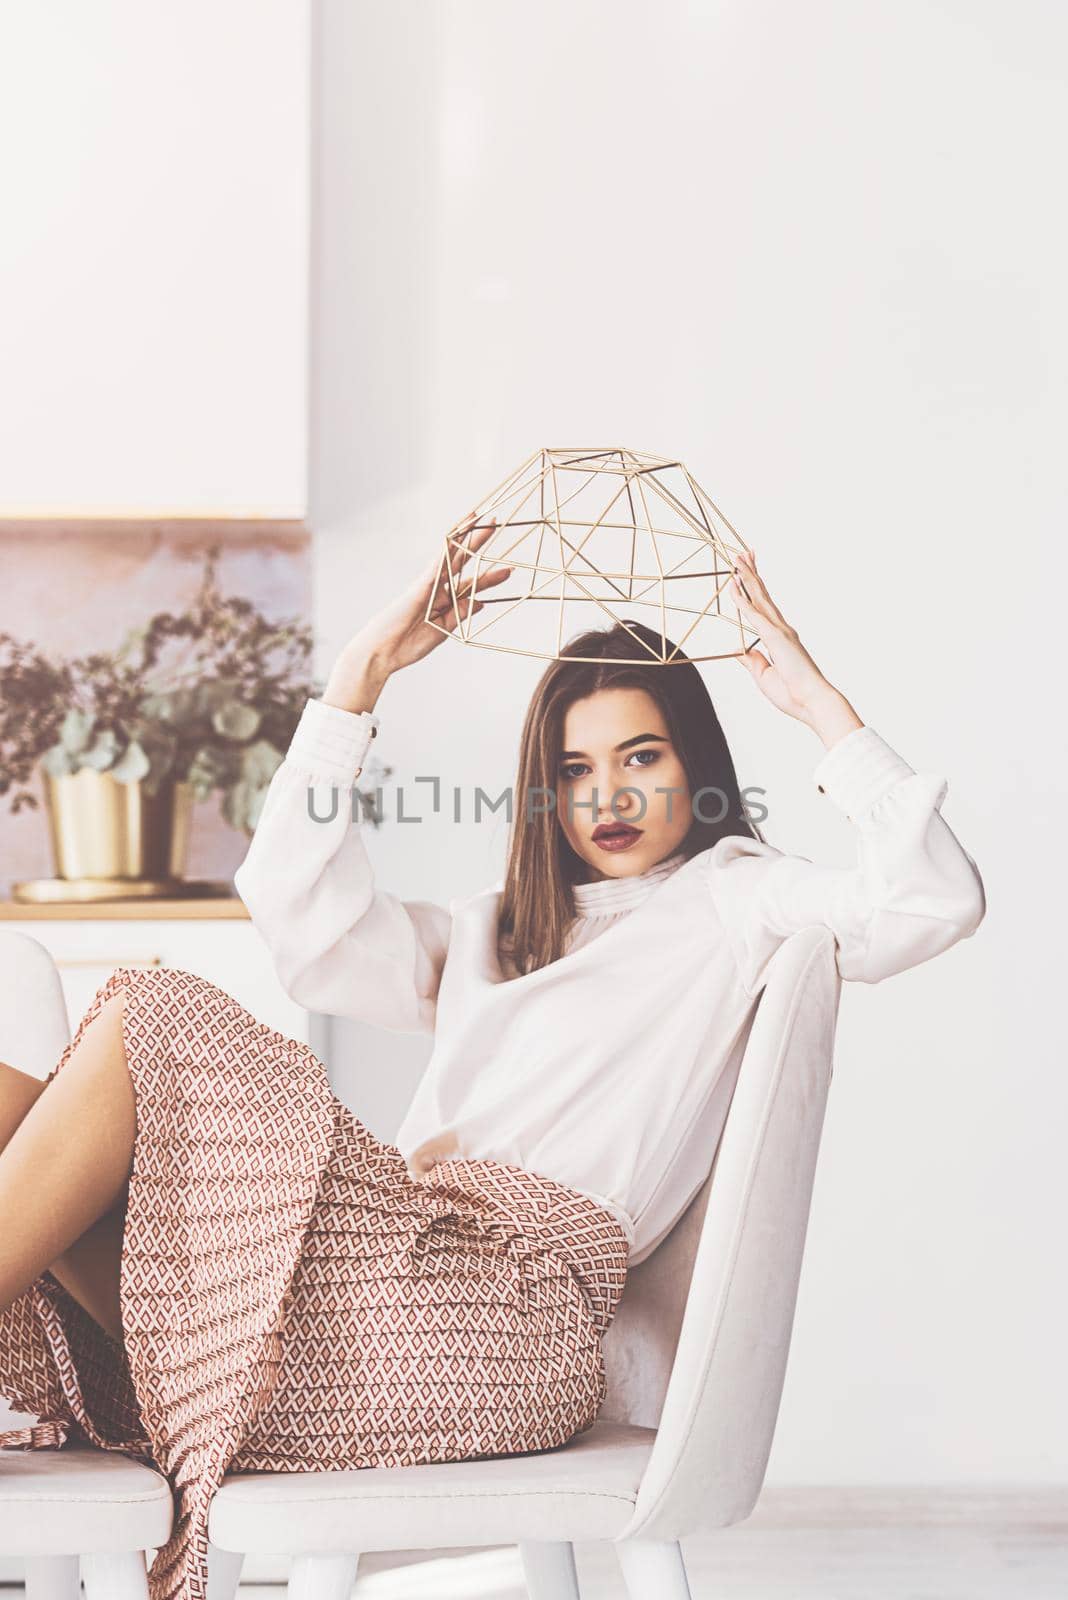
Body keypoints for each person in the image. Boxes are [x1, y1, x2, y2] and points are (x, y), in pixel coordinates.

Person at [0, 521, 986, 1600]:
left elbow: (933, 898)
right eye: (574, 768)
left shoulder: (735, 895)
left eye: (641, 757)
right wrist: (358, 679)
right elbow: (296, 917)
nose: (606, 795)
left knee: (154, 1012)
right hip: (387, 1276)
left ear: (696, 764)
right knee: (15, 1092)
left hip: (509, 1317)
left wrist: (817, 706)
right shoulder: (493, 930)